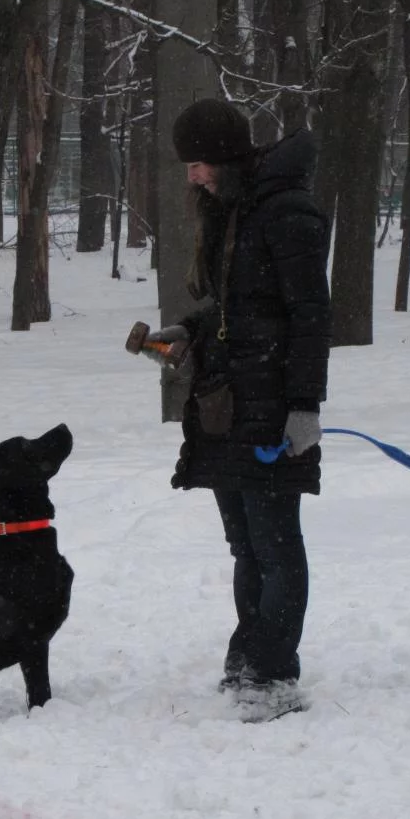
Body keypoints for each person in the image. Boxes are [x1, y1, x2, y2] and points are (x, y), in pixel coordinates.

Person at [146, 98, 332, 717]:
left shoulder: (286, 211)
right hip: (228, 404)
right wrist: (189, 331)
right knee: (246, 546)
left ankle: (274, 675)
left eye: (199, 162)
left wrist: (303, 406)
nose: (193, 175)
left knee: (275, 545)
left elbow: (310, 318)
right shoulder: (232, 209)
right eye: (188, 164)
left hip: (272, 406)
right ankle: (249, 658)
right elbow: (240, 308)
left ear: (226, 156)